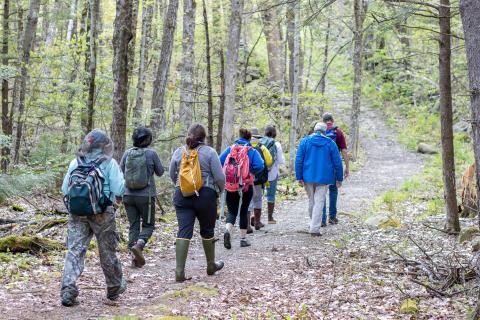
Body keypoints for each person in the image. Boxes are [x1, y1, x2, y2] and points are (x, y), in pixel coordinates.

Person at [60, 129, 126, 306]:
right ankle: (114, 288)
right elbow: (120, 188)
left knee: (74, 250)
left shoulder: (75, 162)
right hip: (103, 211)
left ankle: (68, 289)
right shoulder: (109, 163)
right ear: (105, 146)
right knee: (107, 250)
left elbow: (65, 189)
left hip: (77, 212)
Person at [169, 123, 226, 282]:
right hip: (206, 195)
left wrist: (181, 186)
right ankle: (210, 265)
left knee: (184, 230)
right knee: (207, 230)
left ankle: (179, 272)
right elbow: (220, 177)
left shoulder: (179, 152)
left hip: (182, 195)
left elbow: (172, 173)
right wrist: (219, 190)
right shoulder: (210, 152)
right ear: (204, 137)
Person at [120, 127, 164, 268]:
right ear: (148, 140)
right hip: (146, 196)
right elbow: (160, 172)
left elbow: (121, 171)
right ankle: (139, 246)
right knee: (148, 225)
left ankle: (134, 258)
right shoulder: (152, 154)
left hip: (127, 195)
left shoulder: (127, 153)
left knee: (133, 226)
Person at [295, 122, 343, 236]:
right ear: (325, 131)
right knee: (319, 201)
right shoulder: (330, 143)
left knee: (312, 201)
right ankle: (314, 228)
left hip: (307, 176)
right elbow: (338, 162)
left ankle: (313, 224)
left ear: (314, 130)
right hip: (324, 177)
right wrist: (339, 178)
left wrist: (299, 176)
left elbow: (298, 159)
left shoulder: (305, 141)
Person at [219, 128, 264, 248]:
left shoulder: (230, 149)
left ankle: (227, 230)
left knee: (232, 210)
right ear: (249, 139)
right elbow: (260, 165)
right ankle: (243, 239)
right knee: (243, 211)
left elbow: (220, 161)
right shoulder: (252, 151)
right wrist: (251, 172)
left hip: (230, 185)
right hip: (246, 185)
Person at [321, 112, 350, 226]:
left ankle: (322, 219)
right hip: (333, 166)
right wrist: (347, 167)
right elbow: (344, 151)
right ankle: (332, 217)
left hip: (321, 166)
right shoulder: (337, 132)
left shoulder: (318, 132)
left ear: (323, 121)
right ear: (332, 121)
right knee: (333, 191)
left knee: (321, 192)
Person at [248, 128, 273, 231]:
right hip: (258, 179)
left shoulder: (243, 147)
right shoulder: (262, 147)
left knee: (247, 200)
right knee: (257, 199)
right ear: (258, 138)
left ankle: (247, 225)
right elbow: (269, 161)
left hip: (246, 179)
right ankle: (257, 222)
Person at [263, 125, 285, 224]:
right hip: (272, 173)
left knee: (257, 195)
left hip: (260, 173)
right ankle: (270, 218)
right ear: (274, 133)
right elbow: (281, 160)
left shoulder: (260, 142)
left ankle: (256, 218)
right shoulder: (277, 144)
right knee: (271, 195)